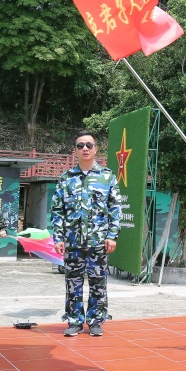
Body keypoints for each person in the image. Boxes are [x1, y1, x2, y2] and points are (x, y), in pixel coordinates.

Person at [51, 131, 121, 337]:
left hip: (98, 241)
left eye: (89, 145)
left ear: (96, 149)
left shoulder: (107, 176)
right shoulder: (65, 179)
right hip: (72, 242)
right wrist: (58, 237)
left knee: (98, 283)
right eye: (80, 145)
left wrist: (112, 235)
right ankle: (74, 321)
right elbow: (57, 210)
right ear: (75, 150)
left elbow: (115, 208)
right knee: (73, 282)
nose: (85, 149)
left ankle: (96, 321)